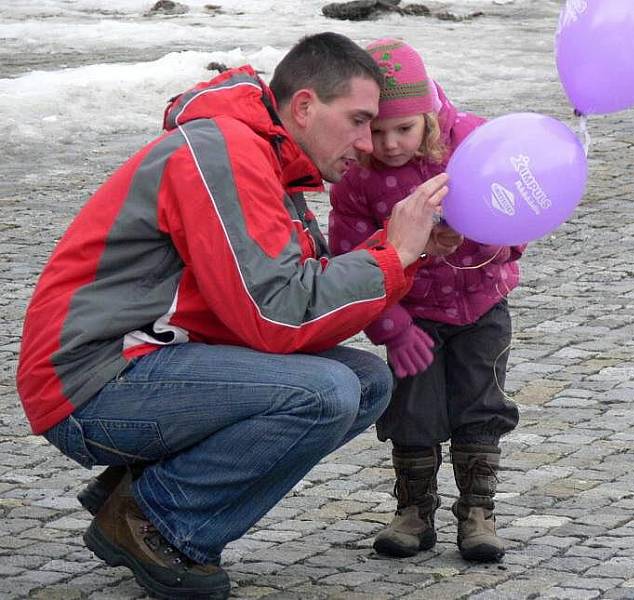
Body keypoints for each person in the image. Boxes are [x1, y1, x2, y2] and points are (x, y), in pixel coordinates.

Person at [15, 32, 455, 600]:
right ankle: (157, 522)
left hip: (148, 358)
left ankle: (141, 489)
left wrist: (399, 250)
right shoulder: (226, 151)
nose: (369, 143)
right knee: (324, 393)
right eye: (359, 120)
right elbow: (275, 316)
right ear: (304, 106)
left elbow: (296, 294)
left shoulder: (264, 156)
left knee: (367, 381)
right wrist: (392, 255)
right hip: (89, 381)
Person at [329, 38, 524, 563]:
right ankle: (414, 510)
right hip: (412, 315)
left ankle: (478, 511)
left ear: (431, 117)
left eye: (405, 129)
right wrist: (389, 324)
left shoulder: (475, 146)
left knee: (481, 403)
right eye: (377, 130)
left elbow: (520, 213)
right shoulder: (356, 177)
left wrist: (482, 237)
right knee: (411, 410)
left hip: (481, 304)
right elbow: (349, 257)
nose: (390, 144)